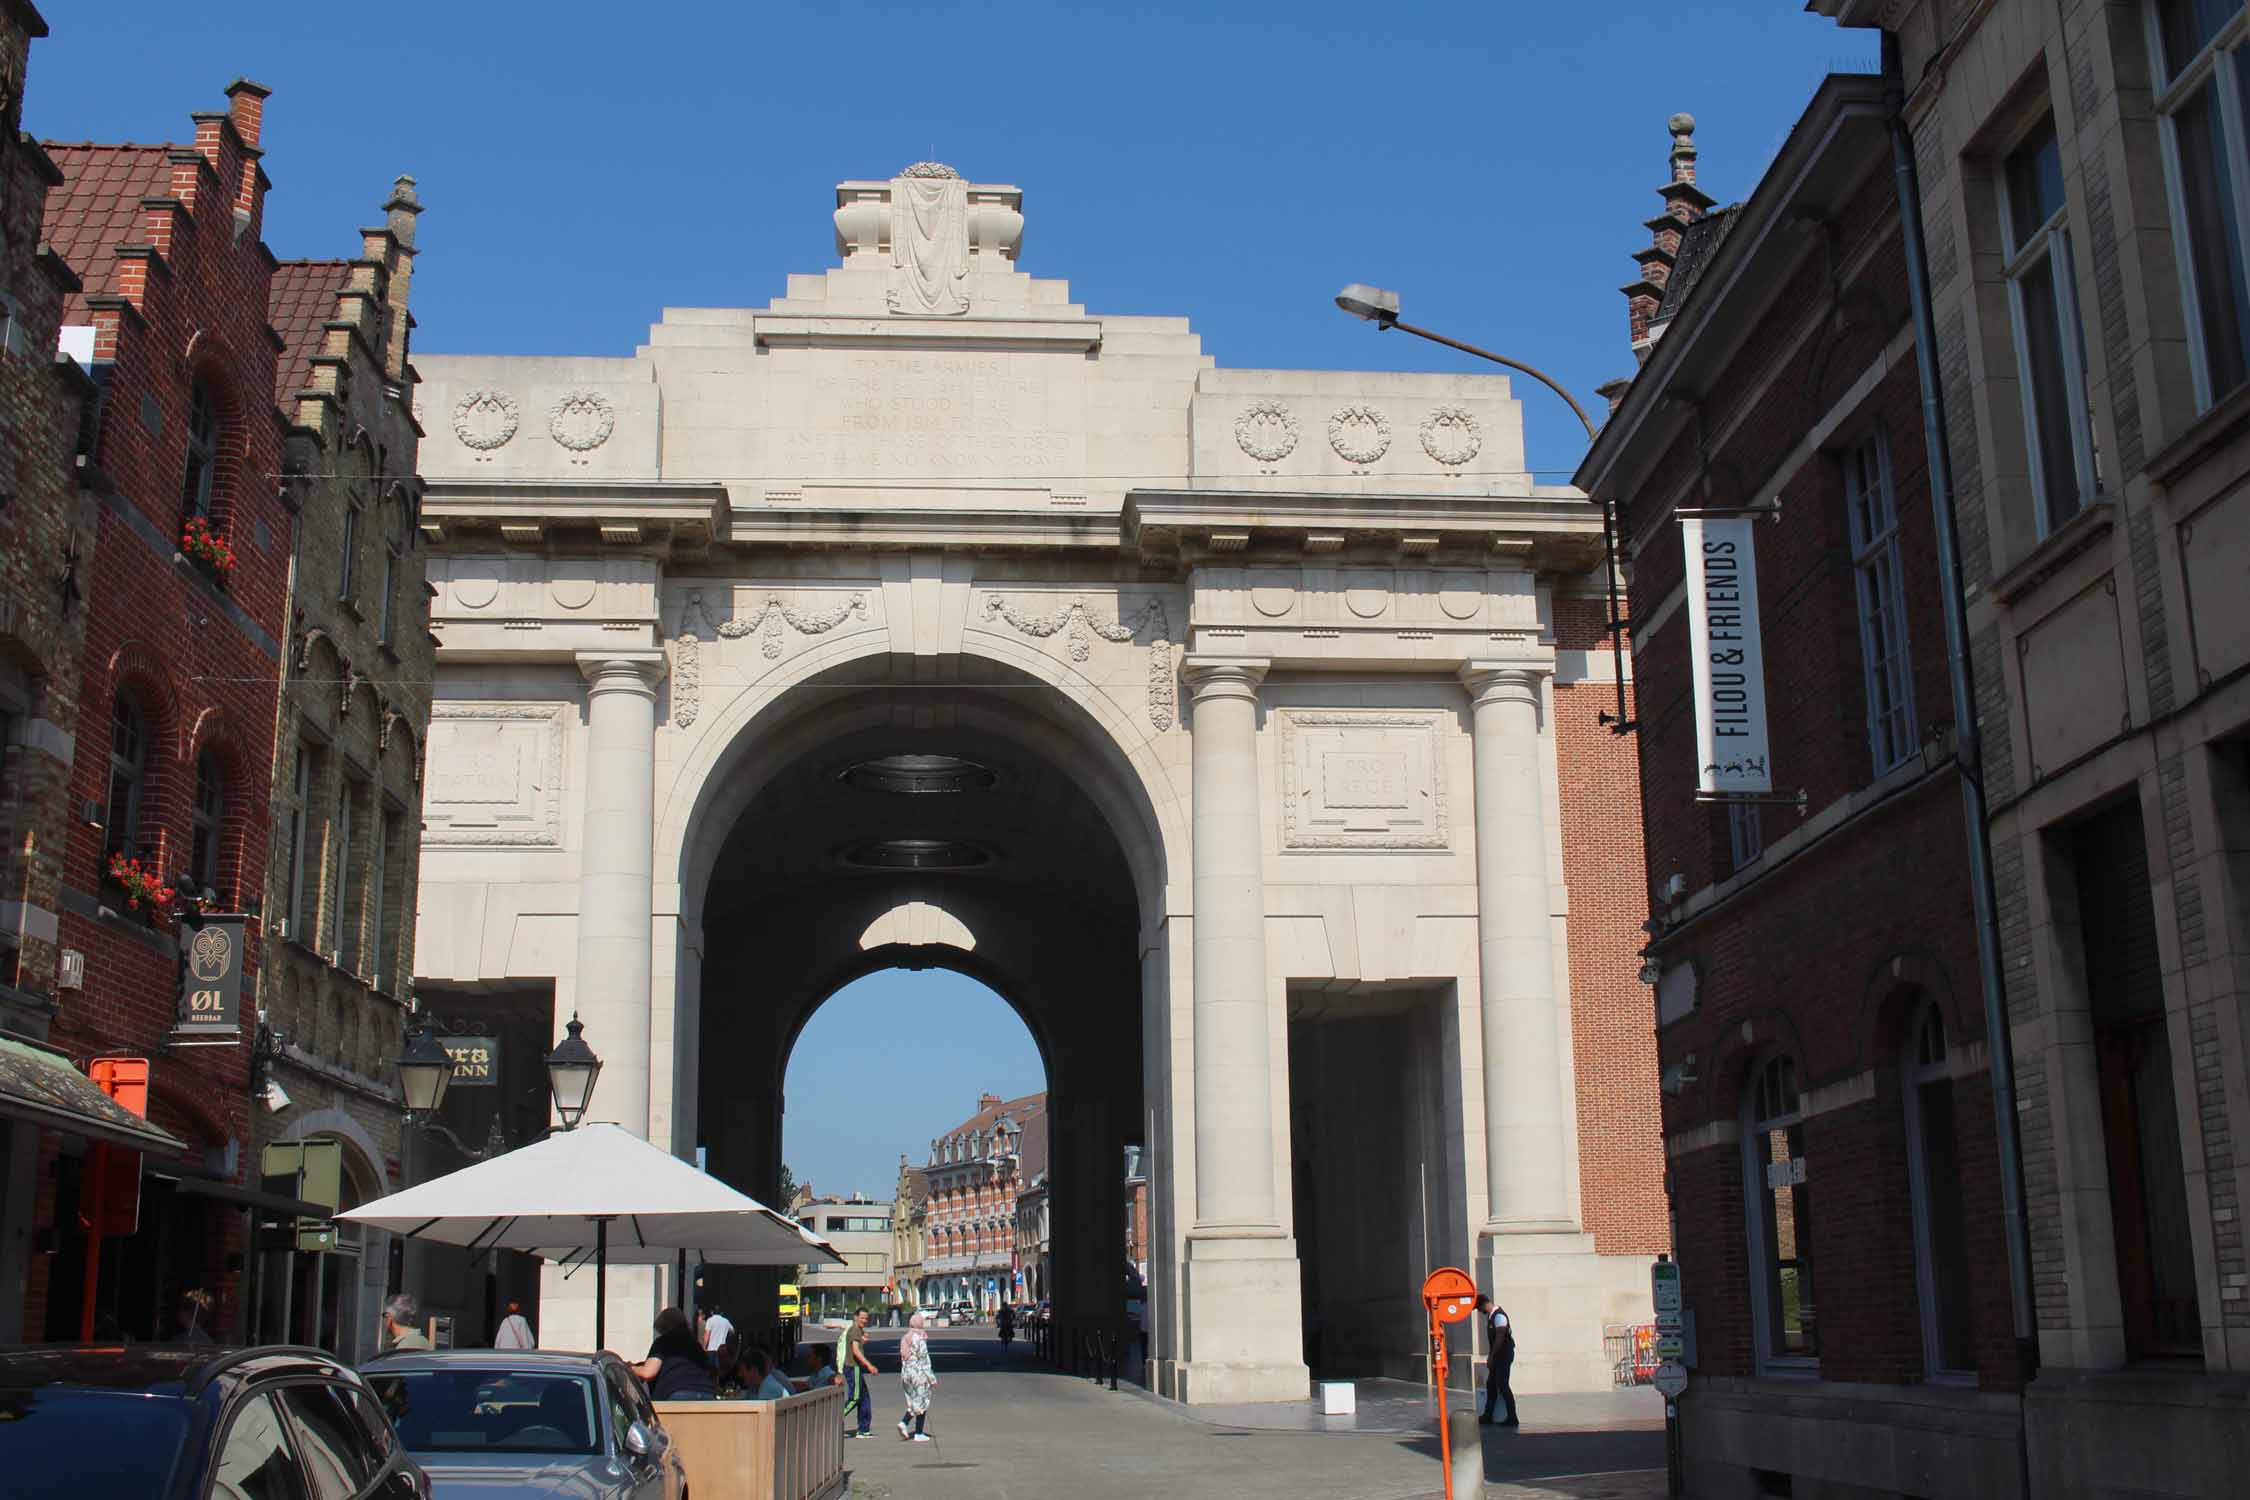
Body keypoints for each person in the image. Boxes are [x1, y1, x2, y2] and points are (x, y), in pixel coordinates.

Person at [633, 1308, 718, 1400]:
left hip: (677, 1392)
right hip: (707, 1393)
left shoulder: (663, 1341)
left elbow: (648, 1373)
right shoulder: (695, 1345)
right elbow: (709, 1370)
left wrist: (628, 1367)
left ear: (664, 1327)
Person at [1476, 1293, 1517, 1427]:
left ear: (1484, 1304)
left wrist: (1491, 1357)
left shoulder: (1499, 1316)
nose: (1479, 1311)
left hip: (1503, 1356)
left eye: (1478, 1308)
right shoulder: (1492, 1316)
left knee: (1503, 1385)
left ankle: (1512, 1418)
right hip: (1498, 1356)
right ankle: (1488, 1416)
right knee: (1491, 1385)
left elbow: (1500, 1338)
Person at [895, 1311, 936, 1443]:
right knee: (922, 1401)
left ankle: (912, 1428)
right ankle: (911, 1427)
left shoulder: (905, 1337)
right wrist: (931, 1378)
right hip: (918, 1374)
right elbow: (924, 1360)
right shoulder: (919, 1339)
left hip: (906, 1373)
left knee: (914, 1401)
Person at [836, 1308, 877, 1439]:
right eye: (862, 1318)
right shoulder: (854, 1330)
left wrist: (862, 1341)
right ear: (855, 1317)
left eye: (866, 1318)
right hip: (853, 1367)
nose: (864, 1321)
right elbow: (855, 1351)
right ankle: (835, 1419)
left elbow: (855, 1346)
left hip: (855, 1368)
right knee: (855, 1397)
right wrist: (869, 1365)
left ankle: (863, 1429)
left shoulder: (857, 1330)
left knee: (864, 1398)